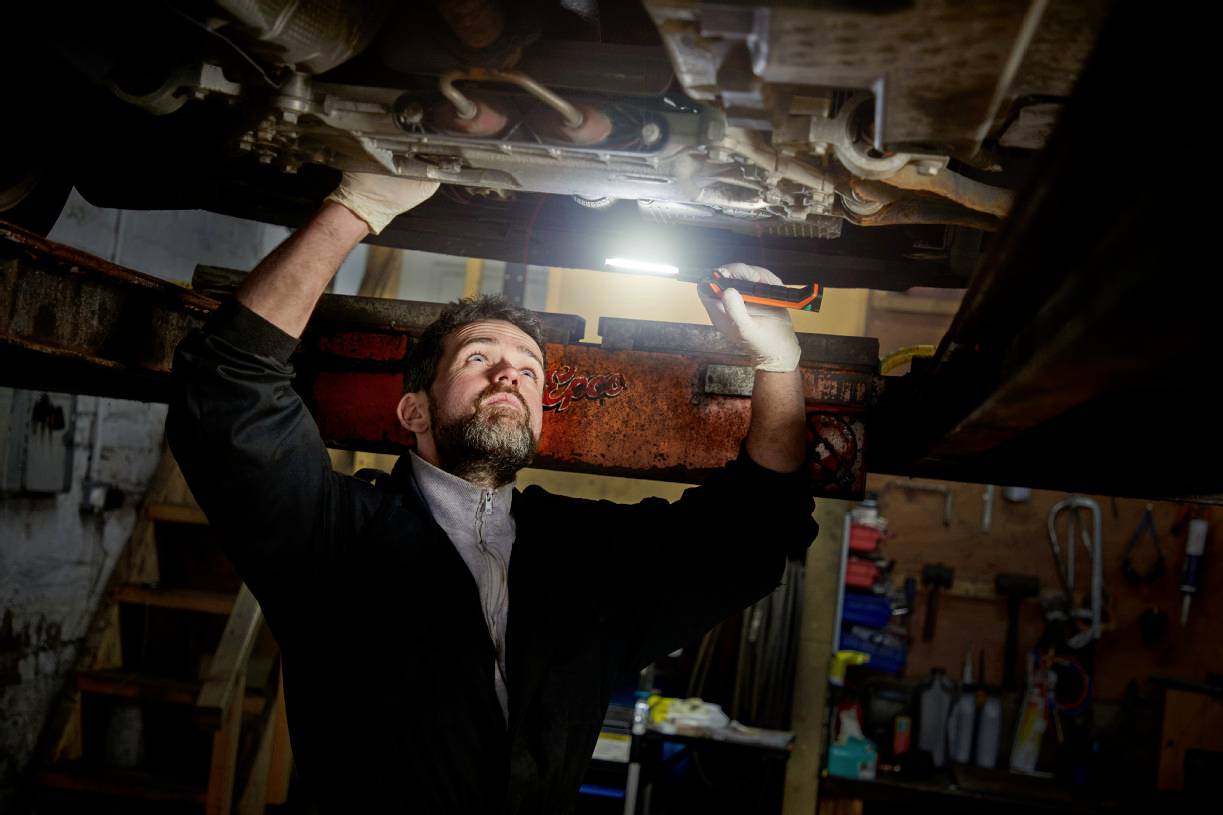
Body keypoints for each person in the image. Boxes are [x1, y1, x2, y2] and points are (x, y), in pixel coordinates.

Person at [167, 173, 817, 813]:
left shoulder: (585, 558)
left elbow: (753, 536)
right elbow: (229, 392)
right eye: (478, 358)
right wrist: (353, 205)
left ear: (537, 418)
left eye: (529, 370)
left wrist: (777, 364)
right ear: (413, 412)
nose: (510, 370)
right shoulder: (336, 534)